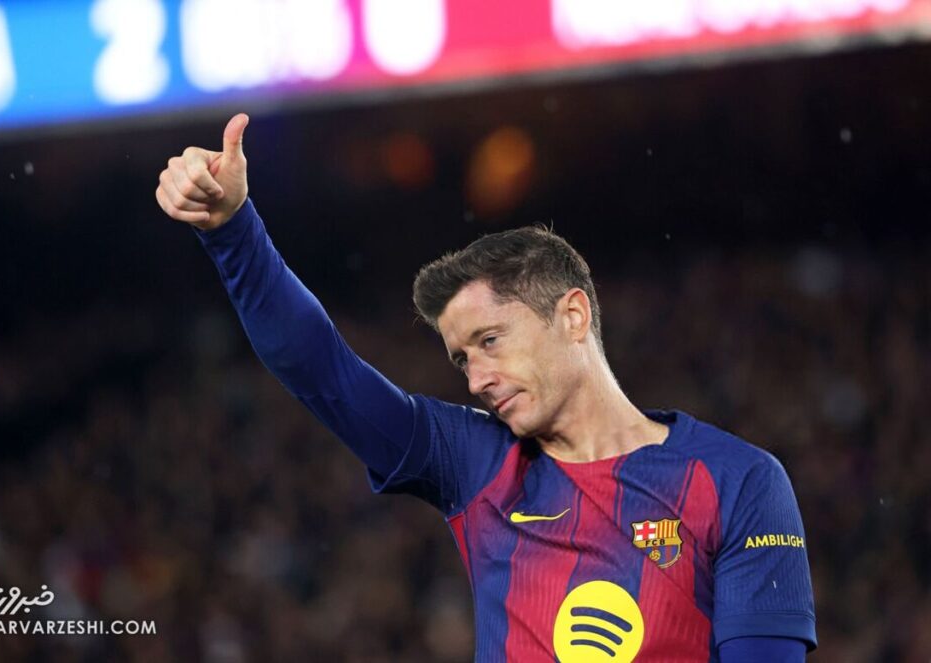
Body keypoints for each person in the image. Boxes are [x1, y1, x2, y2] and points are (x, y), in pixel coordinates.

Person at [155, 113, 817, 662]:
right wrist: (234, 233)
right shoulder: (475, 463)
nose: (475, 379)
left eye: (491, 340)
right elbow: (321, 370)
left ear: (573, 315)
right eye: (461, 359)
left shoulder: (738, 481)